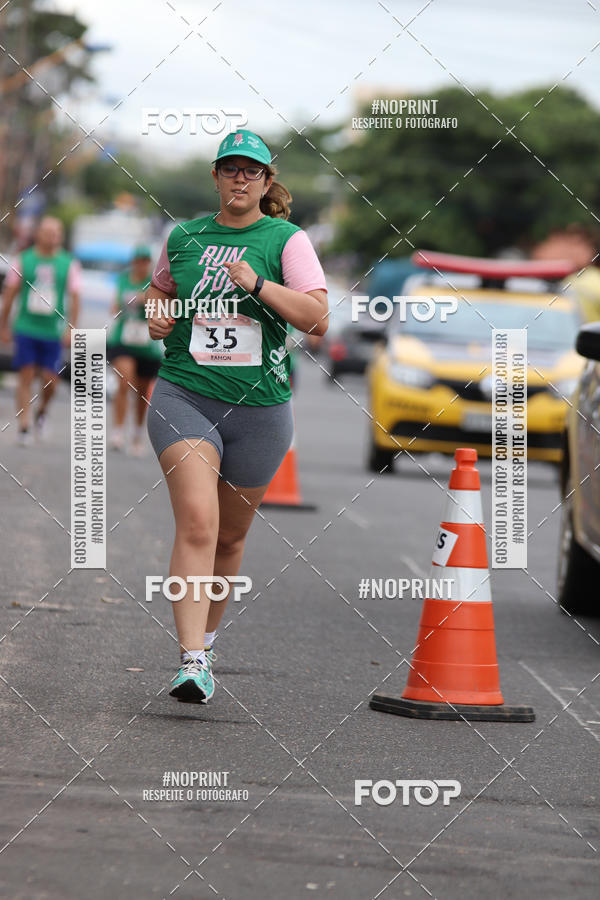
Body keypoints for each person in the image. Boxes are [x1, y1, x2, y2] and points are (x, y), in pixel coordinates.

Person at [146, 129, 328, 703]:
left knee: (229, 539)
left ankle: (209, 636)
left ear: (267, 181)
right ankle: (191, 660)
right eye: (231, 169)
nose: (241, 179)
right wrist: (158, 314)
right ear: (216, 177)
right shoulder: (185, 236)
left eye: (253, 171)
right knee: (198, 523)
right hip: (184, 395)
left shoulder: (287, 240)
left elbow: (318, 319)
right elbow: (158, 293)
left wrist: (259, 284)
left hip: (261, 409)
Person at [0, 216, 80, 444]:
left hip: (53, 330)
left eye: (57, 232)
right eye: (48, 232)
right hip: (26, 326)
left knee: (50, 380)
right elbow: (10, 294)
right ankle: (24, 426)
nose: (53, 237)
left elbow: (76, 297)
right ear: (38, 234)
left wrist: (71, 327)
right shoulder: (23, 260)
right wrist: (3, 325)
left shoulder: (69, 264)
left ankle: (42, 412)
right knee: (25, 374)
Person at [107, 245, 163, 455]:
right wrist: (125, 304)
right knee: (124, 381)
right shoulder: (122, 280)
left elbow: (162, 307)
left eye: (145, 261)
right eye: (138, 260)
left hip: (147, 344)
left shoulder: (156, 282)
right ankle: (118, 431)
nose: (141, 265)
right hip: (124, 339)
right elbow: (113, 307)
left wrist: (145, 300)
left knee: (142, 392)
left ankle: (138, 433)